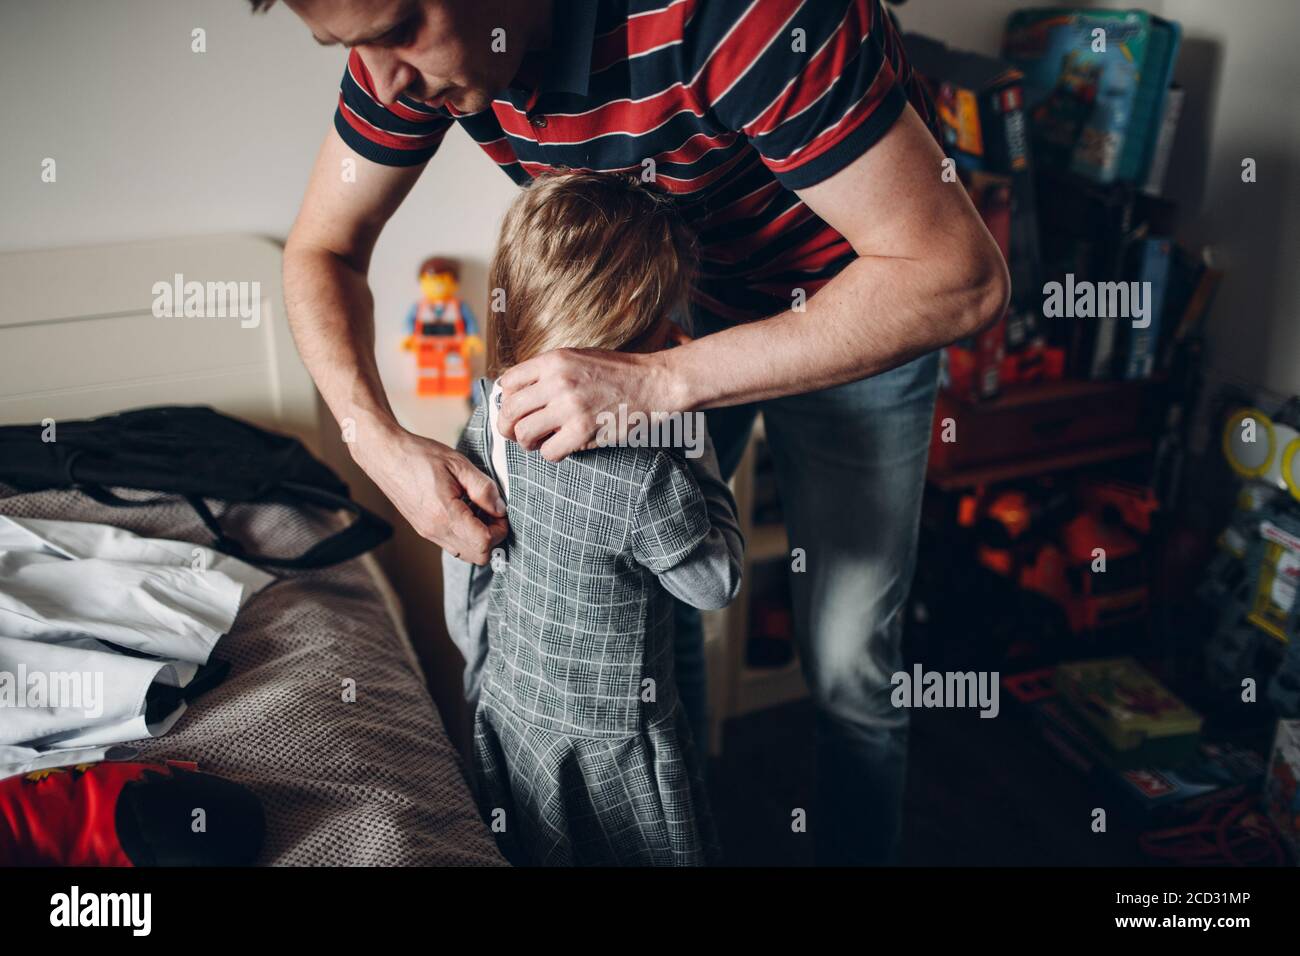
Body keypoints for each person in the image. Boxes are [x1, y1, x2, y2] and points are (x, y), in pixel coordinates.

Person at [271, 0, 1009, 865]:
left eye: (396, 28)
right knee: (653, 618)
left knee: (851, 666)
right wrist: (378, 444)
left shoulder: (752, 17)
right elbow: (321, 249)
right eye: (346, 45)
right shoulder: (404, 59)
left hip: (874, 306)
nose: (381, 76)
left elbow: (961, 279)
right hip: (671, 315)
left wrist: (663, 381)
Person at [442, 171, 742, 865]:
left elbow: (467, 566)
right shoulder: (648, 478)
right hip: (614, 748)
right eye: (672, 317)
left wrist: (482, 671)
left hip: (512, 709)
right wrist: (688, 431)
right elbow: (715, 581)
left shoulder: (486, 419)